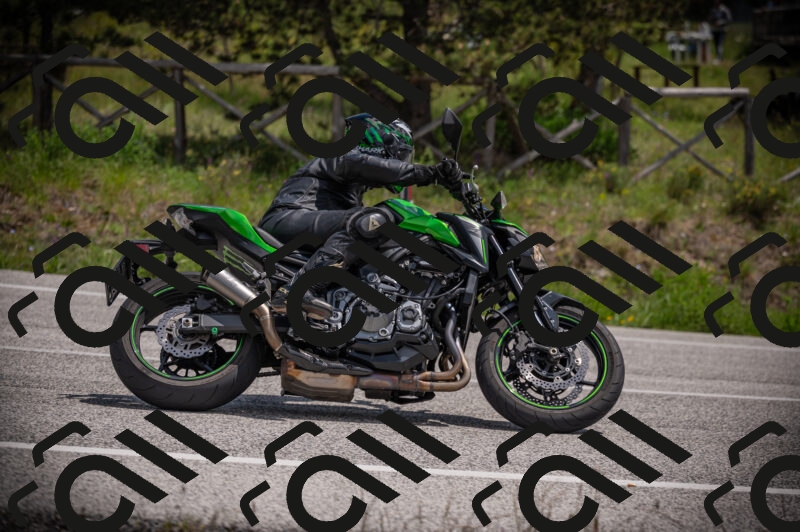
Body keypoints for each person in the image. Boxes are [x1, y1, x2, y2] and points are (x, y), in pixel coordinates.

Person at [259, 113, 463, 319]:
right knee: (373, 221)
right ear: (379, 144)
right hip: (288, 217)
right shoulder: (344, 156)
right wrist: (431, 173)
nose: (402, 161)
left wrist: (459, 189)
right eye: (400, 154)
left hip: (304, 222)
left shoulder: (351, 185)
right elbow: (377, 168)